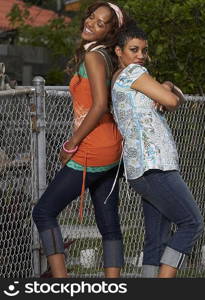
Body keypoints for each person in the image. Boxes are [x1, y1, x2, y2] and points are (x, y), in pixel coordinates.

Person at [32, 2, 127, 278]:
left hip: (94, 148)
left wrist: (70, 144)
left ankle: (61, 282)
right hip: (112, 147)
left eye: (101, 22)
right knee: (109, 224)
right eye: (91, 17)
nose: (91, 23)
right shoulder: (107, 56)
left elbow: (98, 106)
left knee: (43, 212)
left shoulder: (94, 57)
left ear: (110, 31)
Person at [111, 23, 204, 278]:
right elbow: (173, 101)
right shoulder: (133, 73)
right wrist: (166, 91)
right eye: (133, 49)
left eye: (144, 50)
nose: (140, 55)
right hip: (155, 166)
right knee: (191, 223)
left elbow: (175, 98)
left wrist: (167, 84)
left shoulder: (128, 78)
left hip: (143, 169)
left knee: (156, 239)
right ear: (118, 51)